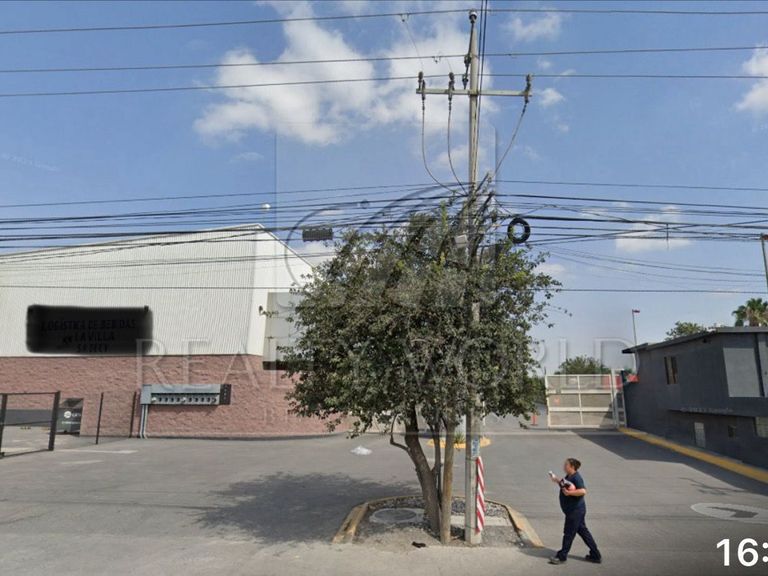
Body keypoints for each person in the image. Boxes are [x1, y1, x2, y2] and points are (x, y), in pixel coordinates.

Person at [548, 457, 602, 565]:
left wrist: (569, 493)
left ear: (572, 467)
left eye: (566, 465)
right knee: (584, 532)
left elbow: (583, 491)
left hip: (575, 511)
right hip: (574, 511)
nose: (564, 467)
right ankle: (595, 555)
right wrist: (556, 479)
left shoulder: (577, 478)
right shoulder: (569, 476)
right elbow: (565, 485)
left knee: (568, 534)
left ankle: (562, 556)